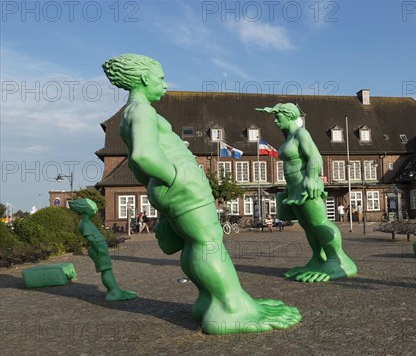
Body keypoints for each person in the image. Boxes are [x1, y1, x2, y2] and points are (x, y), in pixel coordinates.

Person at [103, 54, 300, 334]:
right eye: (160, 78)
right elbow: (144, 155)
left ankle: (209, 299)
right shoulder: (142, 111)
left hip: (169, 189)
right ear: (145, 79)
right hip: (181, 187)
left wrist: (157, 187)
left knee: (194, 244)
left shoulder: (129, 114)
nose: (165, 85)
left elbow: (136, 164)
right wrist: (178, 177)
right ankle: (232, 308)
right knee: (209, 242)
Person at [256, 103, 357, 282]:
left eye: (278, 117)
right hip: (294, 188)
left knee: (319, 222)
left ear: (289, 116)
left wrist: (311, 178)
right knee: (307, 225)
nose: (276, 121)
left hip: (305, 185)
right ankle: (318, 259)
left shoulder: (301, 133)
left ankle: (339, 260)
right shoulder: (289, 138)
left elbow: (315, 157)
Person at [69, 198, 137, 301]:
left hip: (99, 247)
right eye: (94, 209)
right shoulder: (85, 224)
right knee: (106, 270)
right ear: (87, 211)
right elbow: (90, 239)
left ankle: (112, 289)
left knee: (107, 269)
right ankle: (114, 292)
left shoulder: (85, 222)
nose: (96, 211)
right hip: (98, 248)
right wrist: (99, 249)